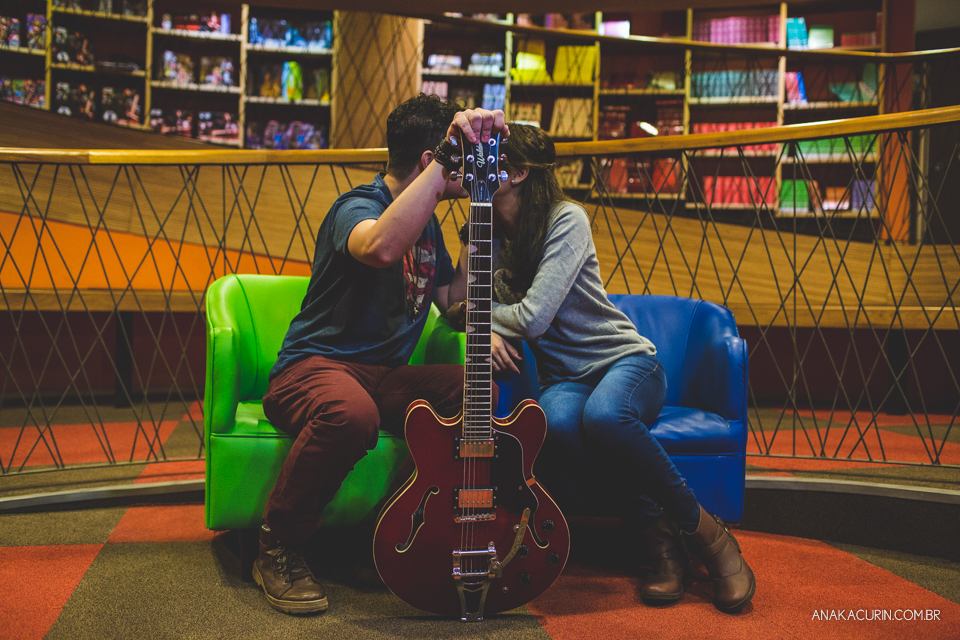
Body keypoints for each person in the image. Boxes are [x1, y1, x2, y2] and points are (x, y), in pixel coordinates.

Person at [475, 123, 756, 614]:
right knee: (555, 423)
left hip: (627, 362)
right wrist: (482, 328)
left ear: (516, 173)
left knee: (605, 416)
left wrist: (480, 317)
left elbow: (533, 318)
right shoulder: (488, 233)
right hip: (566, 381)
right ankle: (661, 543)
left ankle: (707, 535)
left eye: (488, 159)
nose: (474, 169)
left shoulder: (566, 219)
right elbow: (459, 303)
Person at [255, 94, 507, 615]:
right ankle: (278, 544)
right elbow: (380, 249)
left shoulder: (430, 225)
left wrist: (482, 229)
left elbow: (452, 301)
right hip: (313, 368)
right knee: (352, 414)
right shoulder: (357, 206)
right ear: (431, 162)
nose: (470, 167)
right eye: (461, 159)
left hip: (385, 377)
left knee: (476, 391)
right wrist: (446, 162)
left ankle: (382, 533)